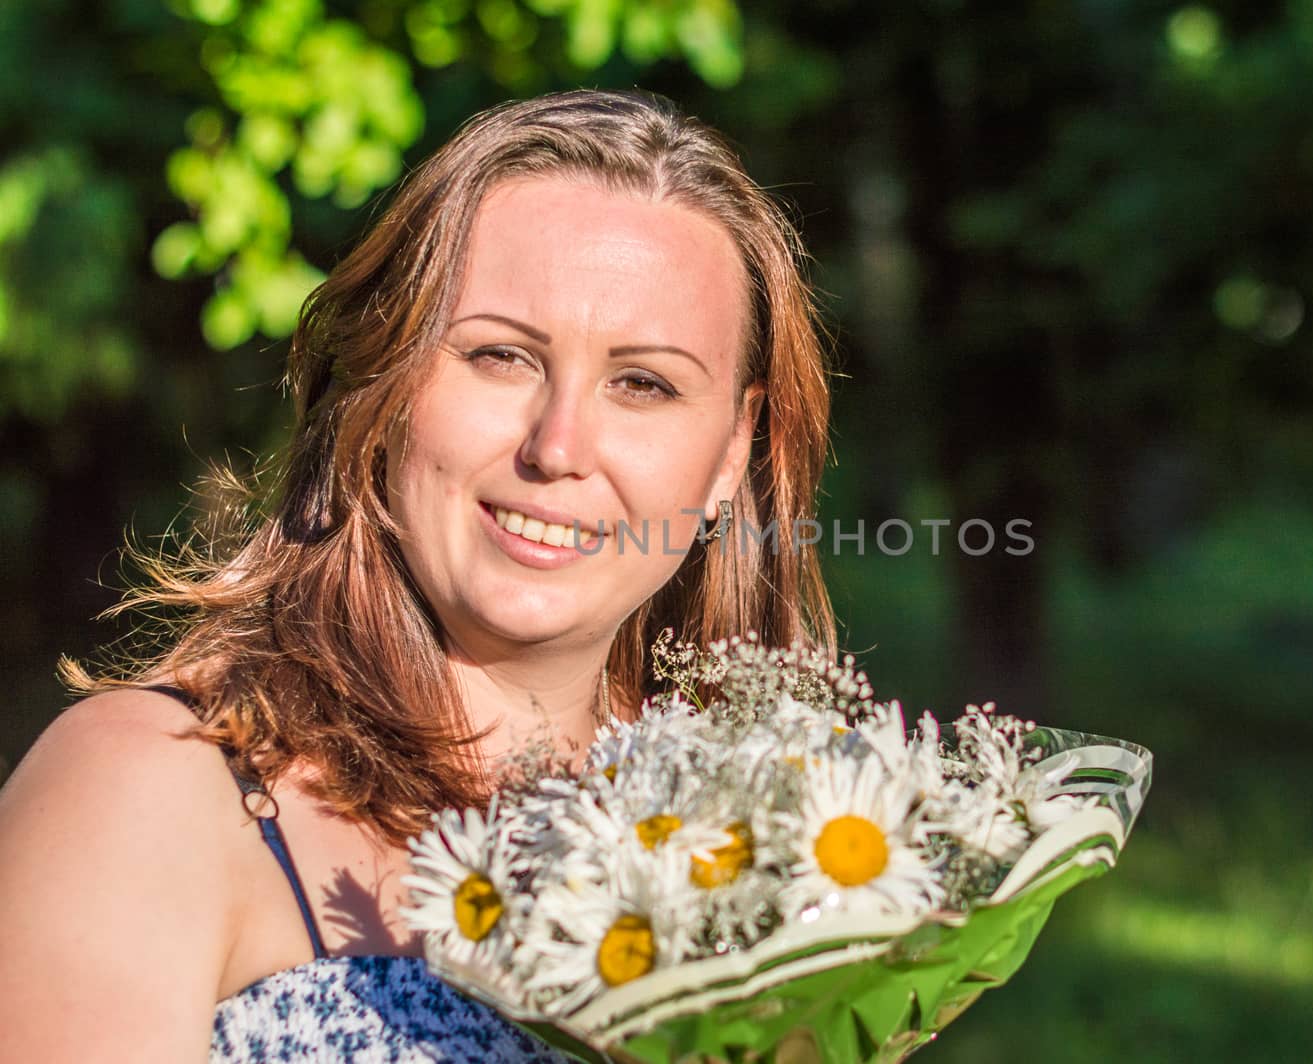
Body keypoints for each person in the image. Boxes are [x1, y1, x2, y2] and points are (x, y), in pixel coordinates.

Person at [0, 89, 835, 1061]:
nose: (557, 446)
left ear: (733, 448)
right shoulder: (154, 789)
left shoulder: (777, 846)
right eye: (500, 355)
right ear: (387, 384)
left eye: (641, 382)